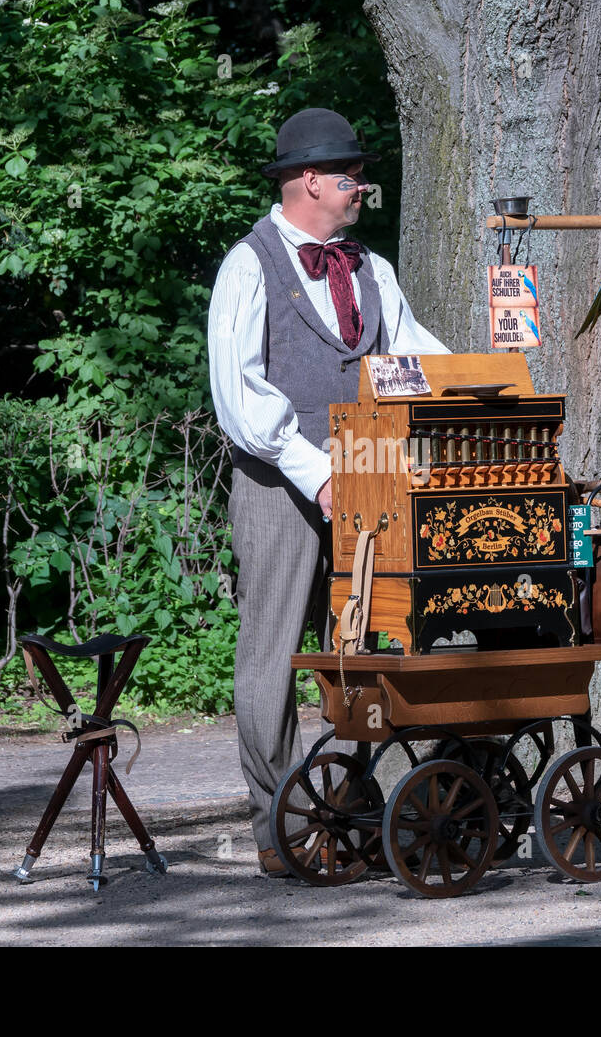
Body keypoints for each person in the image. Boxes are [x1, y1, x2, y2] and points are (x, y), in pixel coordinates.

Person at [207, 108, 449, 874]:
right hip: (280, 483)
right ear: (308, 181)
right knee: (274, 653)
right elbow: (241, 398)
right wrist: (319, 474)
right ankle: (277, 824)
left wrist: (484, 384)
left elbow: (415, 355)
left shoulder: (371, 269)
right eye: (350, 176)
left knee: (369, 651)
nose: (361, 187)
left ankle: (346, 807)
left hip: (372, 488)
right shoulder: (249, 265)